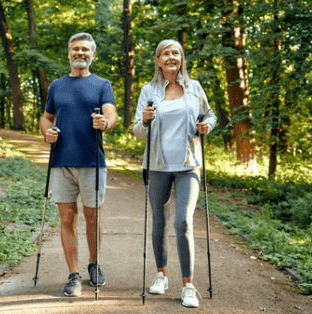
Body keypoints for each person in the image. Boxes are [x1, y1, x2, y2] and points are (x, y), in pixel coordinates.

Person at [132, 39, 217, 308]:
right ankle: (161, 275)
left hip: (188, 164)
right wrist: (144, 120)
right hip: (156, 165)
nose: (171, 57)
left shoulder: (194, 88)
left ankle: (188, 285)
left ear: (181, 59)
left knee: (183, 222)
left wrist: (207, 127)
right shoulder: (149, 90)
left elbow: (210, 116)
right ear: (158, 60)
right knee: (159, 220)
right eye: (166, 54)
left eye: (176, 53)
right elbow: (136, 130)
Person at [39, 32, 118, 297]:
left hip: (92, 161)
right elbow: (46, 117)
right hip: (61, 161)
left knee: (92, 216)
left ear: (93, 55)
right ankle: (73, 275)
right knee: (66, 218)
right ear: (69, 53)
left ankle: (94, 265)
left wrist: (105, 123)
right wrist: (46, 131)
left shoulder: (102, 85)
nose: (80, 53)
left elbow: (111, 113)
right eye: (75, 49)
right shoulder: (56, 86)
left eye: (85, 49)